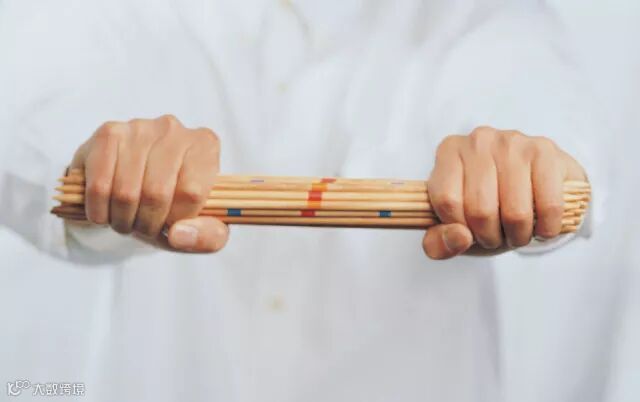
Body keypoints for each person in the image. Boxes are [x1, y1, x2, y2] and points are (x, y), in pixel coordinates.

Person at [0, 1, 633, 401]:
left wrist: (532, 169)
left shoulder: (481, 19)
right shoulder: (133, 14)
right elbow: (23, 111)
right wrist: (95, 168)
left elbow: (548, 117)